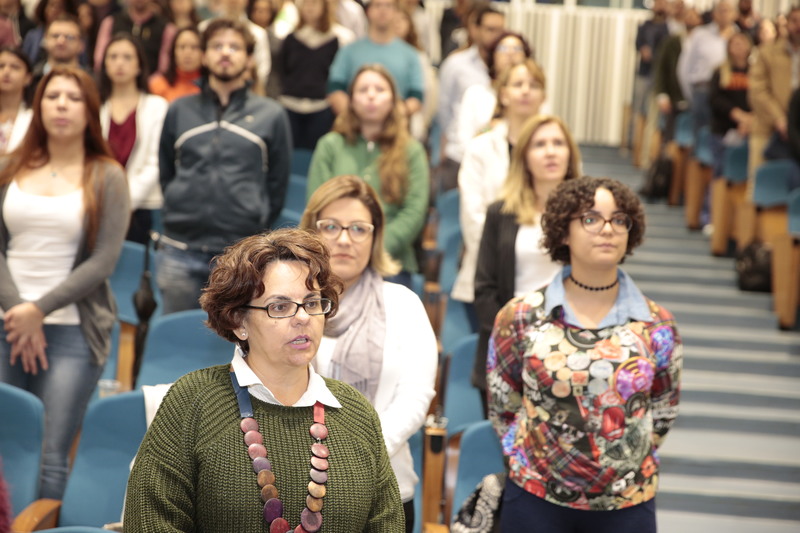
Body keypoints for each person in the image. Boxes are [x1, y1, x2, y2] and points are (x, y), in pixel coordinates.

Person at [124, 228, 405, 532]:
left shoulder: (356, 413)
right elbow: (151, 522)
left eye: (312, 303)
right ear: (238, 321)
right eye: (280, 307)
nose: (303, 318)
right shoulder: (192, 402)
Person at [488, 176, 683, 531]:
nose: (608, 229)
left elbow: (663, 407)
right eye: (591, 219)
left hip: (628, 501)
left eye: (619, 219)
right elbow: (504, 403)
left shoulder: (657, 324)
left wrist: (620, 465)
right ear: (563, 232)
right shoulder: (520, 316)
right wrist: (531, 458)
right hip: (536, 496)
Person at [0, 66, 130, 500]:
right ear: (38, 106)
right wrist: (20, 310)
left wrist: (39, 310)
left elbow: (104, 260)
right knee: (4, 447)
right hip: (7, 324)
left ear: (90, 111)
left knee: (49, 454)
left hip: (73, 330)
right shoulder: (9, 166)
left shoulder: (107, 175)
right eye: (52, 96)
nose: (61, 105)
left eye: (73, 98)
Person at [300, 175, 437, 533]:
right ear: (311, 231)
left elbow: (415, 397)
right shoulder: (285, 305)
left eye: (359, 229)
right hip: (294, 486)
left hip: (384, 489)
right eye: (331, 226)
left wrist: (358, 455)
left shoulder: (403, 304)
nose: (345, 239)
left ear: (375, 237)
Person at [157, 18, 291, 314]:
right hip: (180, 248)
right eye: (217, 46)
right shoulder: (179, 110)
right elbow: (166, 172)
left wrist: (254, 219)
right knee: (175, 336)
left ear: (249, 58)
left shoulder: (272, 115)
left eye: (235, 47)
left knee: (235, 338)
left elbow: (278, 184)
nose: (225, 52)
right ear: (204, 56)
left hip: (240, 254)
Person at [473, 114, 581, 414]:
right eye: (540, 144)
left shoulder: (587, 216)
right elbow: (484, 289)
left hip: (571, 351)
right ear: (523, 157)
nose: (550, 151)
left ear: (570, 154)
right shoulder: (500, 213)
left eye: (558, 143)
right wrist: (517, 340)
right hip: (509, 351)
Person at [307, 64, 429, 284]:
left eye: (380, 90)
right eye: (363, 90)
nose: (371, 95)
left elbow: (414, 211)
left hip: (392, 261)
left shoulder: (412, 150)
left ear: (393, 100)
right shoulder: (330, 145)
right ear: (351, 100)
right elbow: (316, 205)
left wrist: (373, 247)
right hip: (334, 257)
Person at [452, 61, 546, 323]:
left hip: (541, 273)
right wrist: (503, 260)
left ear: (543, 96)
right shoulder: (480, 148)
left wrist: (530, 255)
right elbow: (473, 217)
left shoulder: (557, 151)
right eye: (518, 84)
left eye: (534, 85)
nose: (525, 91)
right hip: (488, 276)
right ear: (503, 94)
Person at [99, 33, 169, 243]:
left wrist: (121, 203)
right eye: (113, 57)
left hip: (143, 207)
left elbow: (155, 162)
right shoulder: (95, 106)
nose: (120, 63)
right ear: (104, 64)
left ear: (139, 66)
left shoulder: (157, 106)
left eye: (127, 57)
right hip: (98, 202)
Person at [435, 2, 505, 192]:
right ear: (475, 30)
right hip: (460, 152)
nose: (496, 36)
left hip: (497, 154)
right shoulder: (456, 64)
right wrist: (445, 148)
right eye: (490, 29)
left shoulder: (508, 70)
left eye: (500, 30)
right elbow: (444, 109)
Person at [276, 0, 354, 150]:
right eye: (306, 3)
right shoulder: (291, 38)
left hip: (322, 108)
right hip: (290, 106)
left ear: (324, 7)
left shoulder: (336, 39)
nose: (310, 8)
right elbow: (281, 71)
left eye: (314, 3)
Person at [326, 0, 424, 118]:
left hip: (396, 125)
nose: (383, 10)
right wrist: (355, 118)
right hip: (354, 126)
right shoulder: (348, 51)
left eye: (388, 5)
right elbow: (335, 90)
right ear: (368, 11)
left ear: (396, 11)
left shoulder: (411, 54)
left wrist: (391, 119)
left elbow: (416, 97)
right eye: (377, 5)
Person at [747, 7, 800, 197]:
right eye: (794, 21)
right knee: (759, 191)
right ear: (786, 23)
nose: (798, 26)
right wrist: (779, 119)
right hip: (767, 128)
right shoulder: (767, 52)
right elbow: (757, 90)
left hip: (798, 132)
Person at [455, 31, 533, 153]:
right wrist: (491, 129)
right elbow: (463, 143)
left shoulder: (532, 95)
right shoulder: (476, 94)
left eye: (517, 48)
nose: (510, 53)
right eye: (503, 48)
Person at [93, 0, 176, 78]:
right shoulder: (110, 22)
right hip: (113, 82)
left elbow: (165, 68)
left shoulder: (166, 28)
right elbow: (100, 61)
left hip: (152, 84)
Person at [147, 26, 202, 102]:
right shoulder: (157, 85)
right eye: (182, 47)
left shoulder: (212, 86)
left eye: (194, 47)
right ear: (173, 52)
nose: (187, 53)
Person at [30, 14, 86, 87]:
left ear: (81, 45)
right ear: (45, 40)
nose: (61, 41)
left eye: (69, 37)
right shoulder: (31, 78)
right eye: (55, 36)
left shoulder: (93, 81)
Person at [21, 0, 78, 65]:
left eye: (60, 7)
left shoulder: (75, 32)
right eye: (52, 5)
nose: (55, 10)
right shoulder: (32, 35)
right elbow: (25, 61)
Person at [0, 46, 33, 155]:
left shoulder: (34, 116)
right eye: (1, 66)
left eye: (15, 67)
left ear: (28, 78)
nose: (6, 71)